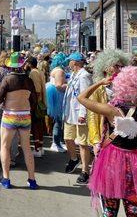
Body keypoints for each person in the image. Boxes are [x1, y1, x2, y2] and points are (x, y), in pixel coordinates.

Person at [77, 66, 137, 216]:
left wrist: (100, 83)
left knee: (109, 211)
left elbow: (81, 98)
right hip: (136, 163)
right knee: (133, 210)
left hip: (111, 162)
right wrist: (136, 86)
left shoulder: (111, 111)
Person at [0, 52, 38, 190]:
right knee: (26, 148)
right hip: (25, 116)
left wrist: (0, 97)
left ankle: (6, 179)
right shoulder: (29, 80)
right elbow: (34, 100)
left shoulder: (7, 79)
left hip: (10, 114)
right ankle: (32, 180)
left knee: (5, 147)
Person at [88, 49, 130, 153]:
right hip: (105, 129)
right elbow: (92, 115)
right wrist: (95, 140)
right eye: (115, 65)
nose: (119, 68)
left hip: (123, 129)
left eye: (121, 66)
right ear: (106, 67)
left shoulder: (124, 85)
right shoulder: (98, 87)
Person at [62, 52, 92, 184]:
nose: (69, 63)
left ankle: (85, 171)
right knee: (68, 138)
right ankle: (74, 159)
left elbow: (85, 96)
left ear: (76, 62)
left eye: (70, 61)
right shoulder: (74, 75)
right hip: (70, 113)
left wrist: (83, 114)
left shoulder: (84, 76)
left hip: (79, 114)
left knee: (83, 143)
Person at [25, 57, 46, 157]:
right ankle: (40, 148)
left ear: (29, 63)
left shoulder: (33, 73)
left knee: (35, 127)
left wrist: (34, 104)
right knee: (39, 126)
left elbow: (37, 90)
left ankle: (37, 149)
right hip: (41, 103)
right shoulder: (40, 71)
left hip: (36, 104)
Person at [46, 53, 68, 153]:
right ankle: (55, 143)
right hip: (58, 95)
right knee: (58, 120)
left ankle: (58, 142)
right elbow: (59, 86)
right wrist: (70, 85)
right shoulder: (60, 71)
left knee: (58, 120)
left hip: (55, 95)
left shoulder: (55, 70)